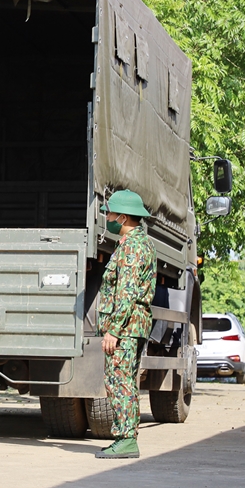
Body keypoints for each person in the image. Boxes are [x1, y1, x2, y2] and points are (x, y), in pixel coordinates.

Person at [95, 189, 157, 459]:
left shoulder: (132, 247)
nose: (107, 217)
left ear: (123, 217)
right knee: (127, 382)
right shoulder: (140, 243)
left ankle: (125, 438)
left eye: (110, 213)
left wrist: (113, 330)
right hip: (133, 326)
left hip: (127, 327)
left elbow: (126, 293)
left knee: (118, 381)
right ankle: (126, 437)